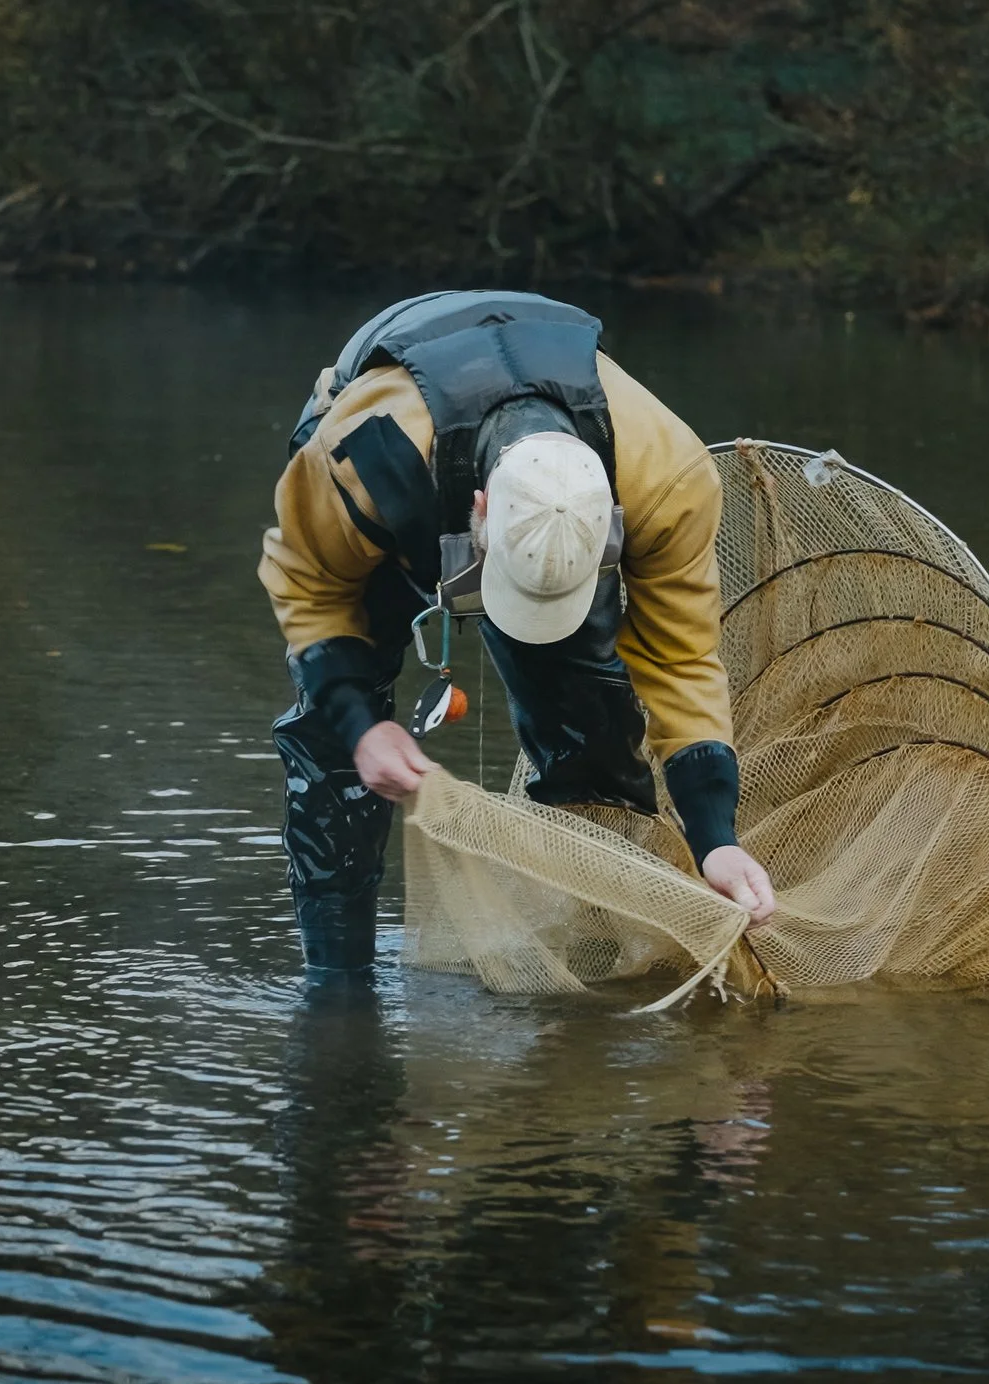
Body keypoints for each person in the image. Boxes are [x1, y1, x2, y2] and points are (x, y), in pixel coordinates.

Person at [260, 290, 778, 972]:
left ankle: (592, 964)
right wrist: (360, 725)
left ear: (611, 521)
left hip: (558, 469)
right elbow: (308, 584)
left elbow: (681, 658)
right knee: (336, 746)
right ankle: (337, 983)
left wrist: (715, 837)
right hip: (398, 465)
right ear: (479, 509)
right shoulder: (365, 458)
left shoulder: (669, 480)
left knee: (593, 727)